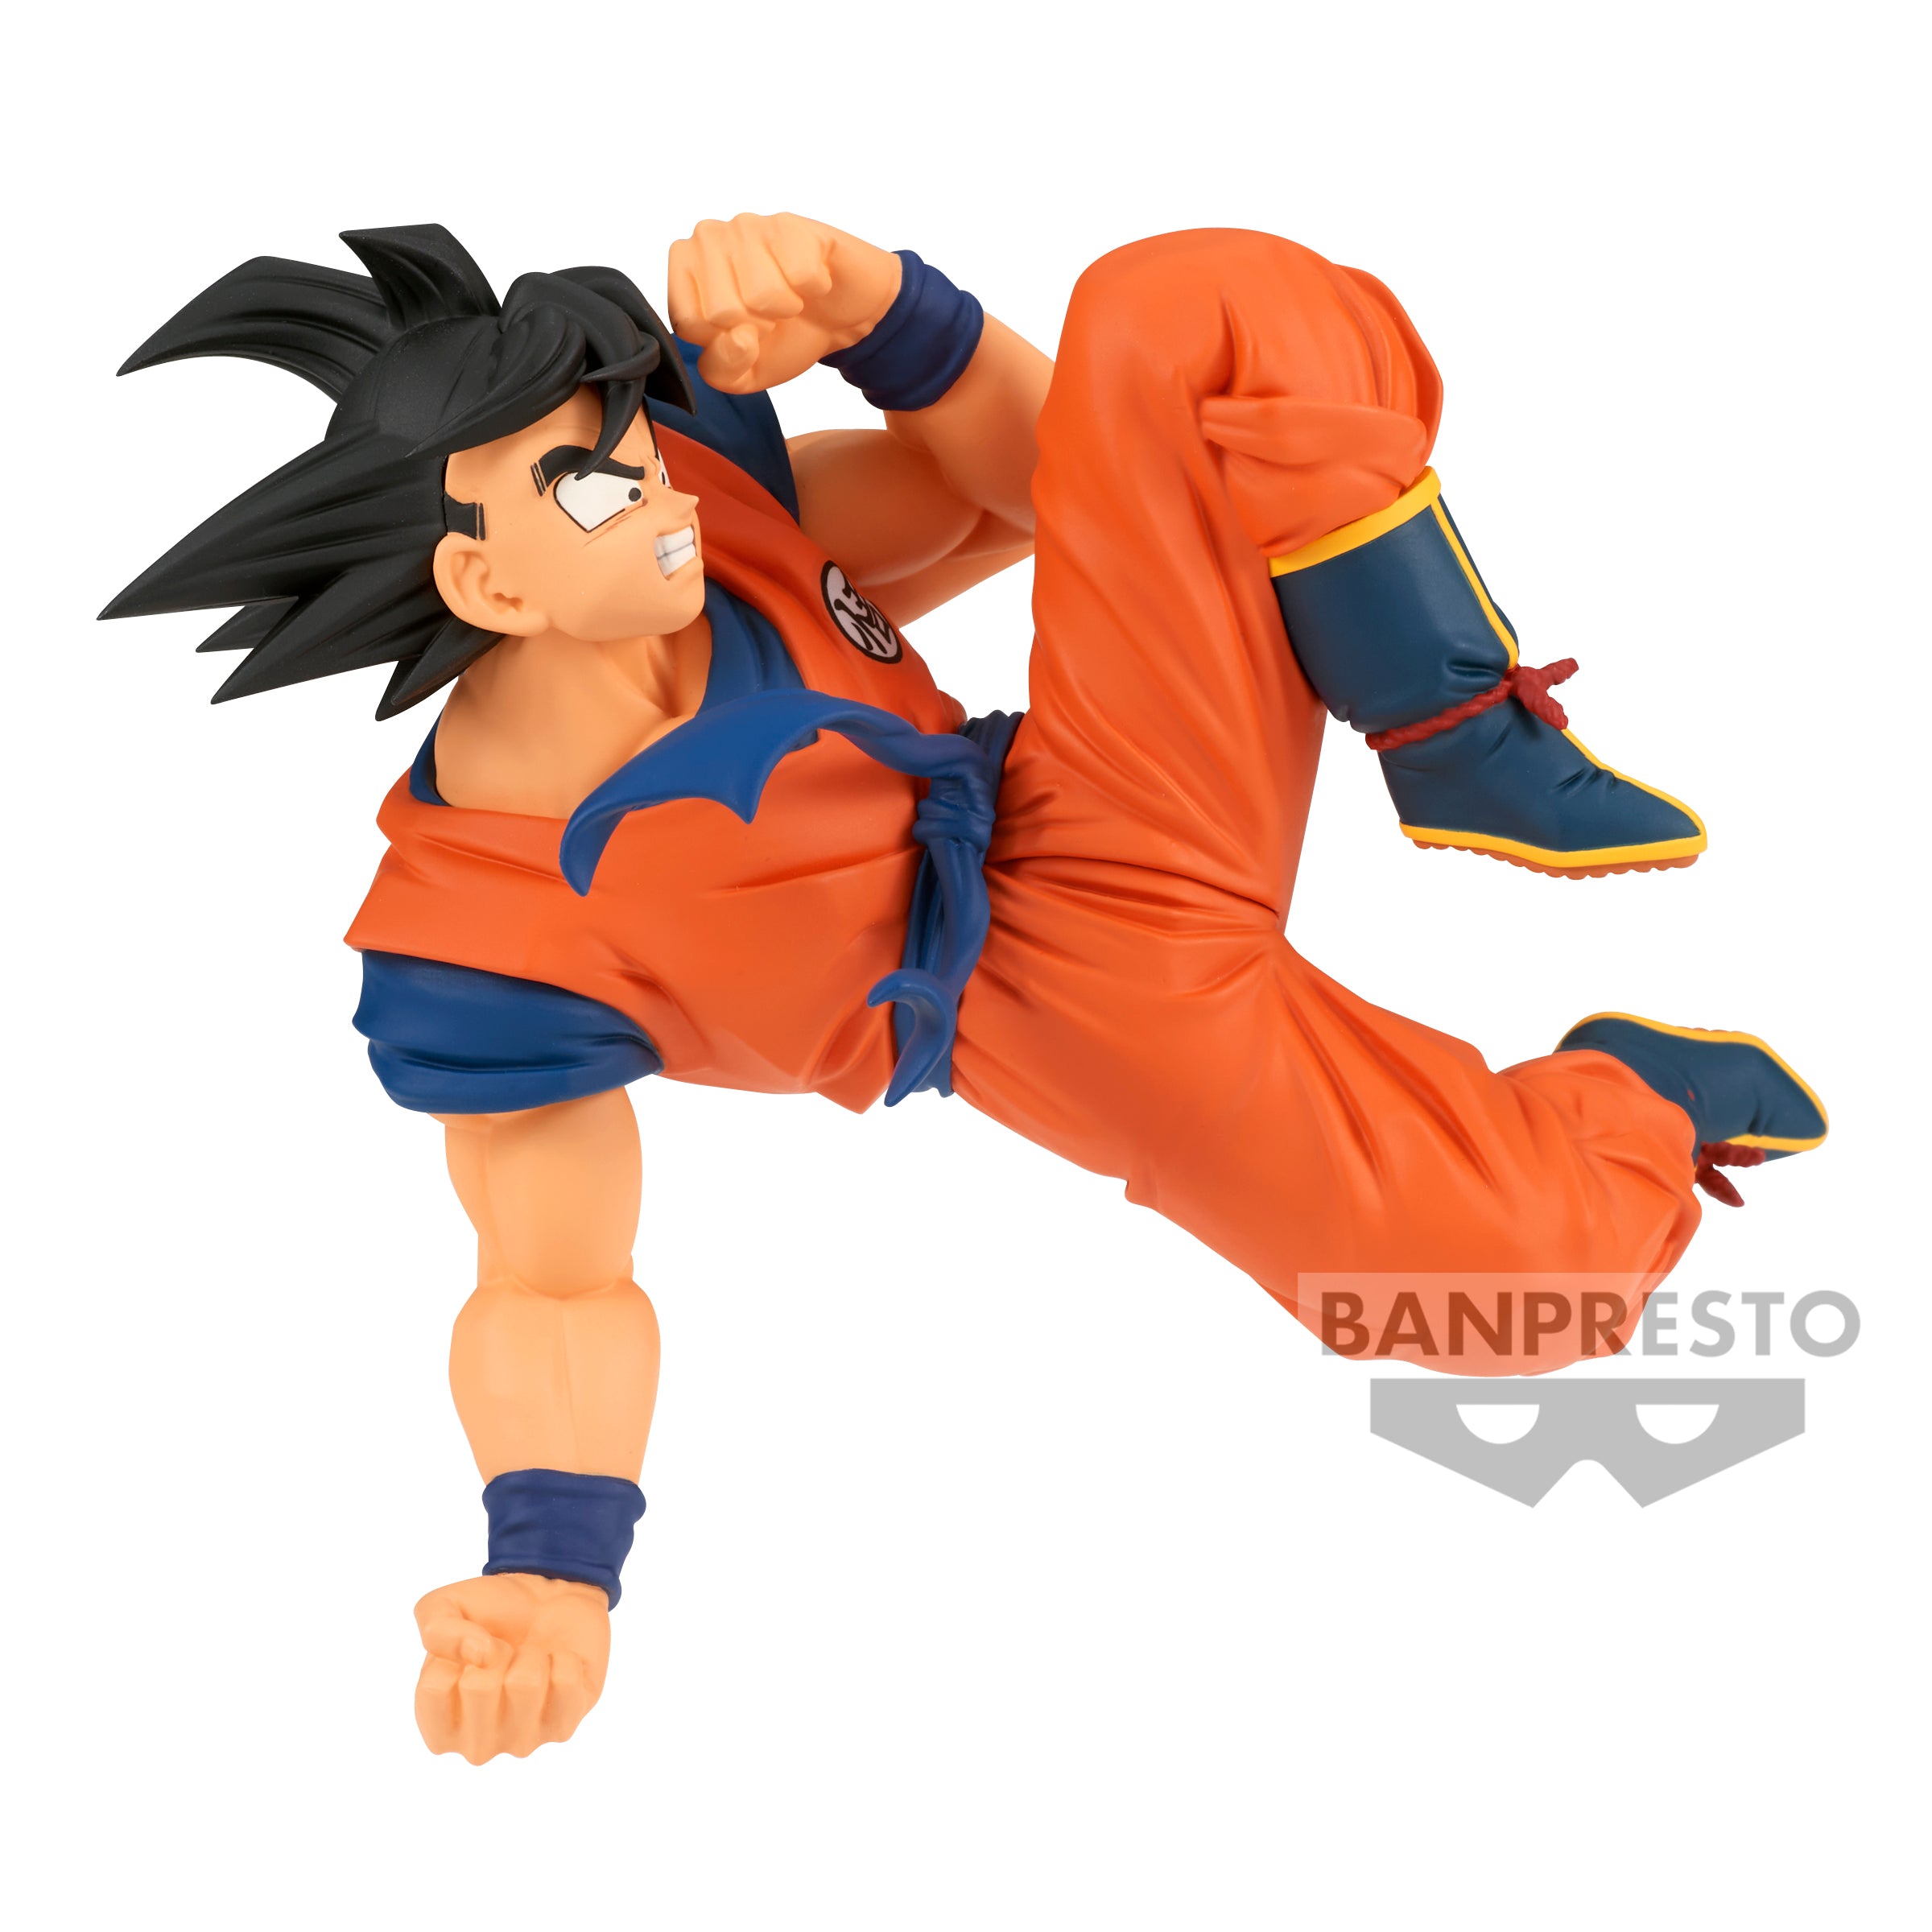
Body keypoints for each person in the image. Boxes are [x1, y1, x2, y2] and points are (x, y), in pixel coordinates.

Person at [105, 214, 1827, 1763]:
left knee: (1192, 307)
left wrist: (883, 313)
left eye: (631, 442)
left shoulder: (715, 525)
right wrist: (554, 1565)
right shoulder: (483, 931)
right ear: (485, 582)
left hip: (1101, 792)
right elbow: (554, 1282)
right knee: (1497, 1297)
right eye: (597, 486)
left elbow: (1038, 482)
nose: (658, 485)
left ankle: (1454, 726)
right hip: (1059, 1021)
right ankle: (1632, 1092)